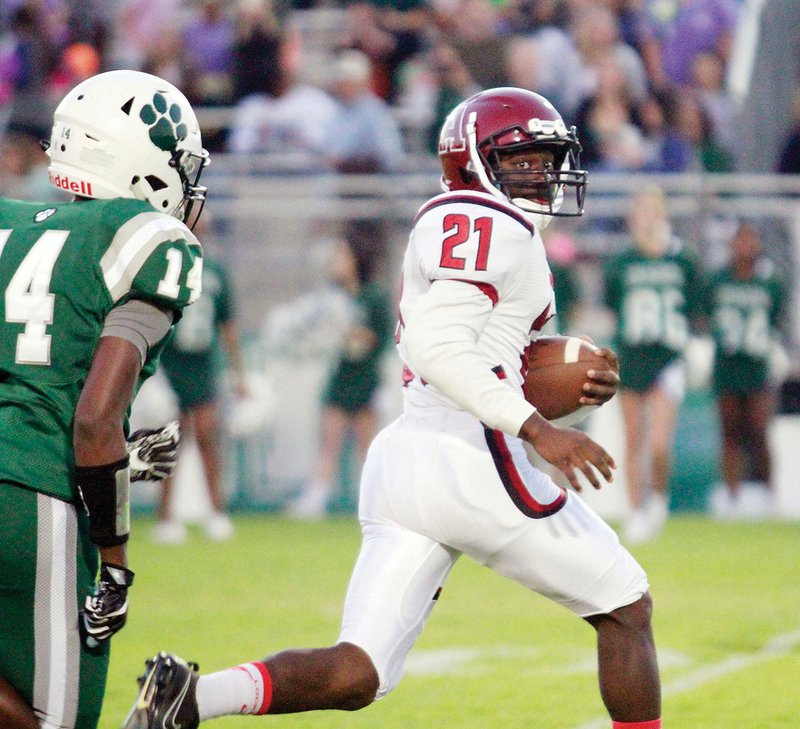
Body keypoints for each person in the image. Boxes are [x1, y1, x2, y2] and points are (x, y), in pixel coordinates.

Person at [125, 88, 662, 729]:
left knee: (361, 671)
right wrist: (539, 427)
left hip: (409, 458)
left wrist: (545, 372)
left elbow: (472, 346)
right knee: (626, 605)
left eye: (547, 159)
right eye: (524, 160)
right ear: (475, 162)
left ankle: (187, 698)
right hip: (473, 459)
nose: (544, 174)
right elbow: (438, 347)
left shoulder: (470, 221)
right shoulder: (490, 222)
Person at [0, 68, 208, 729]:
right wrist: (115, 565)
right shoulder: (148, 236)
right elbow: (93, 417)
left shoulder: (9, 222)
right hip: (32, 503)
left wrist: (120, 461)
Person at [603, 185, 702, 544]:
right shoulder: (622, 262)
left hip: (667, 355)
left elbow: (695, 305)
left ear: (662, 215)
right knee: (632, 439)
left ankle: (658, 501)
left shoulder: (682, 259)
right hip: (632, 354)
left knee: (659, 442)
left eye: (650, 210)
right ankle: (635, 511)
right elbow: (614, 304)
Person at [287, 220, 394, 519]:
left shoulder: (372, 296)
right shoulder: (332, 296)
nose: (336, 262)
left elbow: (374, 338)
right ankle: (315, 499)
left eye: (341, 256)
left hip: (366, 378)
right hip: (341, 376)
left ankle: (377, 503)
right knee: (329, 442)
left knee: (367, 448)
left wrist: (343, 330)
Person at [153, 215, 248, 544]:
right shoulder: (165, 265)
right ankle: (166, 517)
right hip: (170, 362)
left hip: (204, 362)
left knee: (208, 436)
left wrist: (239, 374)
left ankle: (216, 512)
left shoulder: (216, 271)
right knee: (170, 441)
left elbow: (228, 326)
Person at [702, 222, 788, 519]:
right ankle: (732, 496)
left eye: (751, 240)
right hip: (727, 364)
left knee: (760, 430)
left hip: (757, 366)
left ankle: (769, 493)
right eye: (740, 240)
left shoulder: (770, 281)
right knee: (730, 432)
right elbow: (706, 315)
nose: (745, 246)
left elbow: (777, 319)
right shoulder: (718, 280)